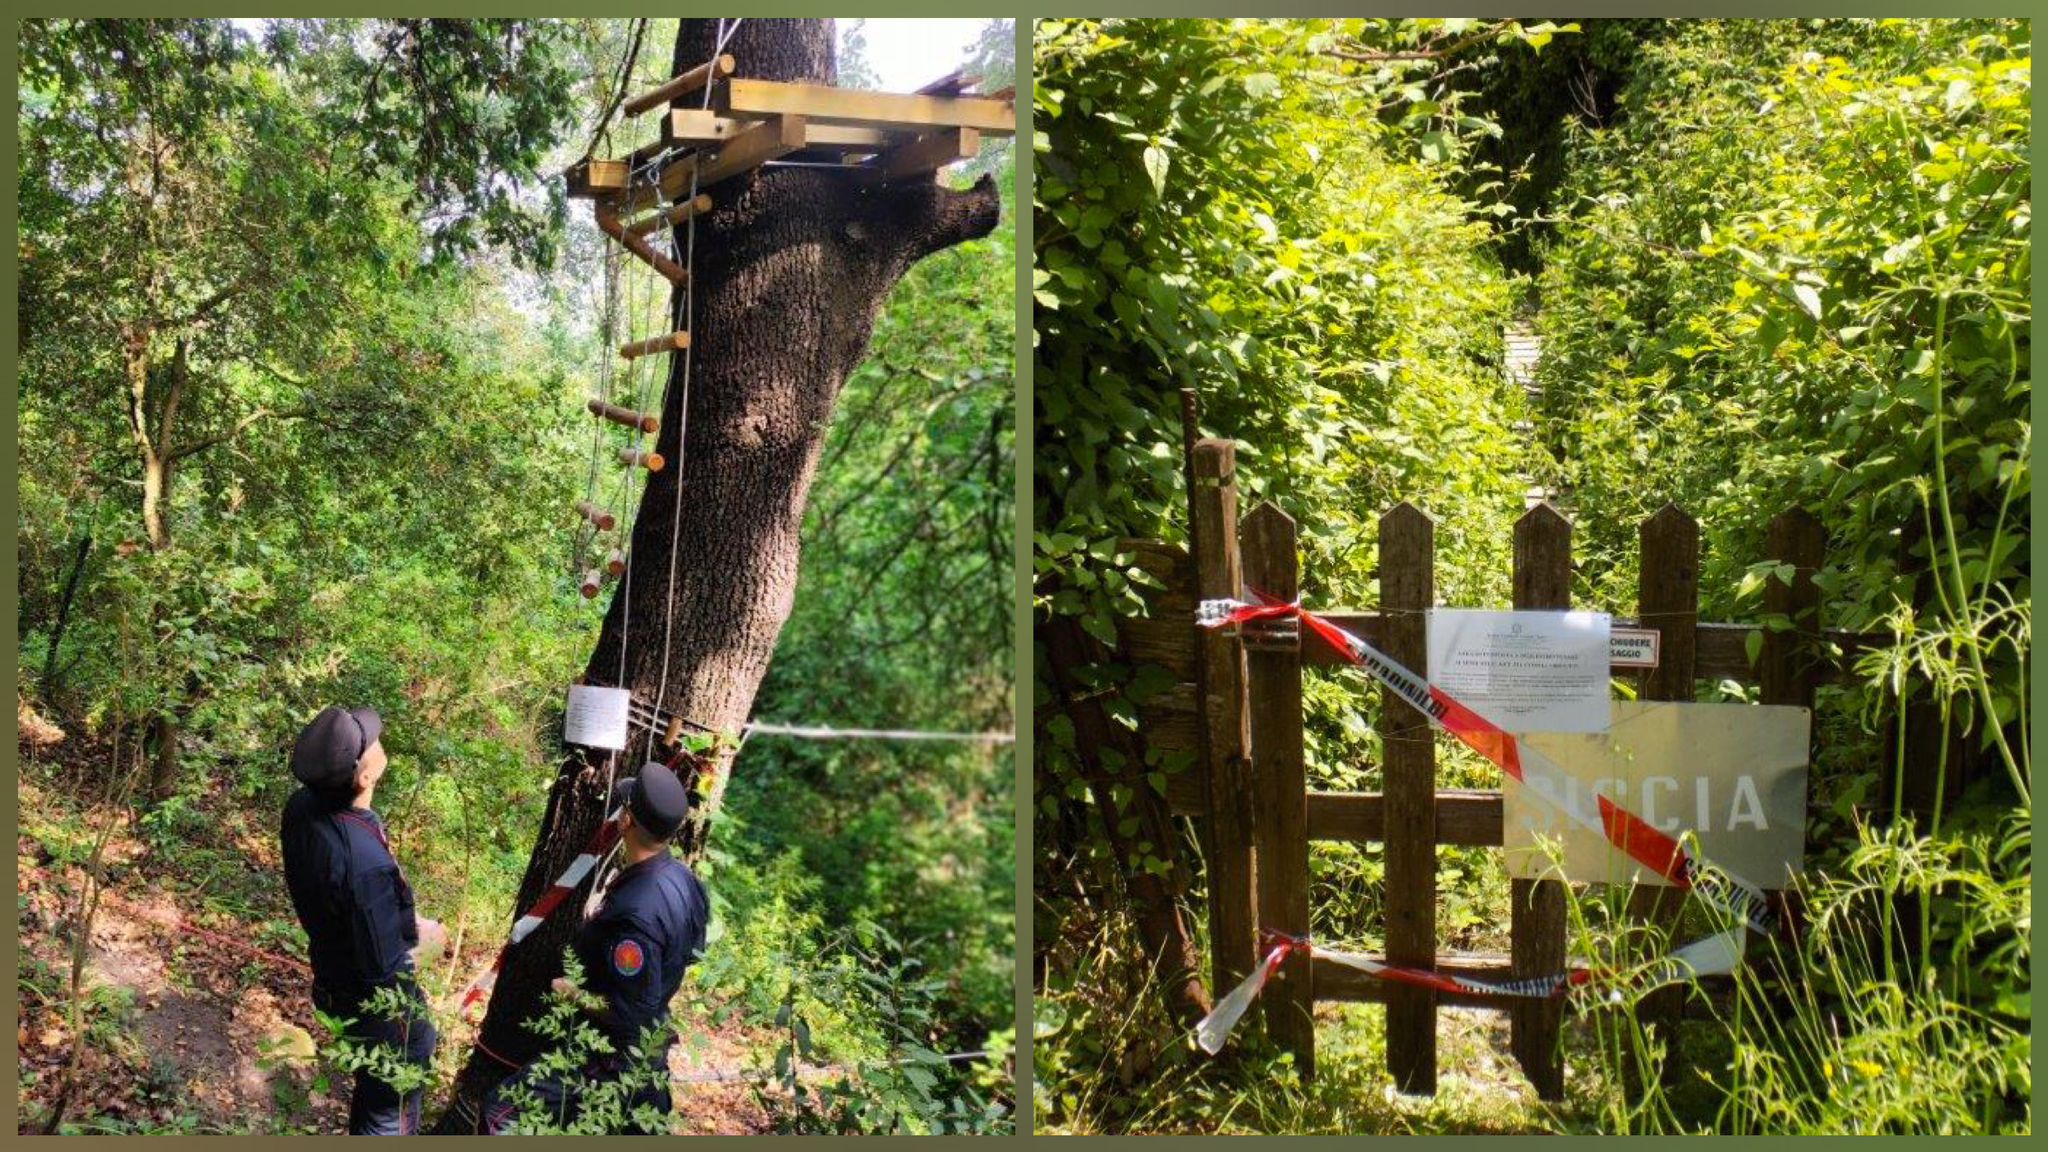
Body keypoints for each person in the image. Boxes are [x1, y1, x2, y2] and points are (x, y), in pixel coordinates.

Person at [484, 761, 710, 1135]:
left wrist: (572, 993)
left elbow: (628, 1014)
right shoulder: (685, 881)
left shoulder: (636, 917)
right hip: (642, 1056)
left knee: (500, 1115)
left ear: (626, 821)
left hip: (613, 1061)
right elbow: (690, 952)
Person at [281, 705, 446, 1136]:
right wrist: (423, 948)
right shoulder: (363, 863)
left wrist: (396, 921)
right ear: (364, 776)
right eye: (370, 742)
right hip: (379, 1015)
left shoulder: (301, 809)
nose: (377, 739)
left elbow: (347, 904)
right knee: (388, 1111)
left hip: (335, 979)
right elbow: (384, 976)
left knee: (372, 1095)